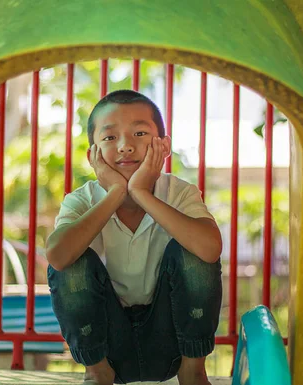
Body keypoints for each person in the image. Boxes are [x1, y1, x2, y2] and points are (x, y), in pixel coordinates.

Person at [46, 89, 223, 385]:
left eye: (140, 133)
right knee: (72, 257)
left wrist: (141, 193)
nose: (126, 147)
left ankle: (193, 371)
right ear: (94, 154)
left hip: (171, 342)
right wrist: (116, 194)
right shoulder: (82, 199)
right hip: (108, 345)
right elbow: (58, 257)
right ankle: (96, 372)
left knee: (194, 246)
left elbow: (209, 249)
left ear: (163, 147)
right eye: (110, 137)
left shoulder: (179, 193)